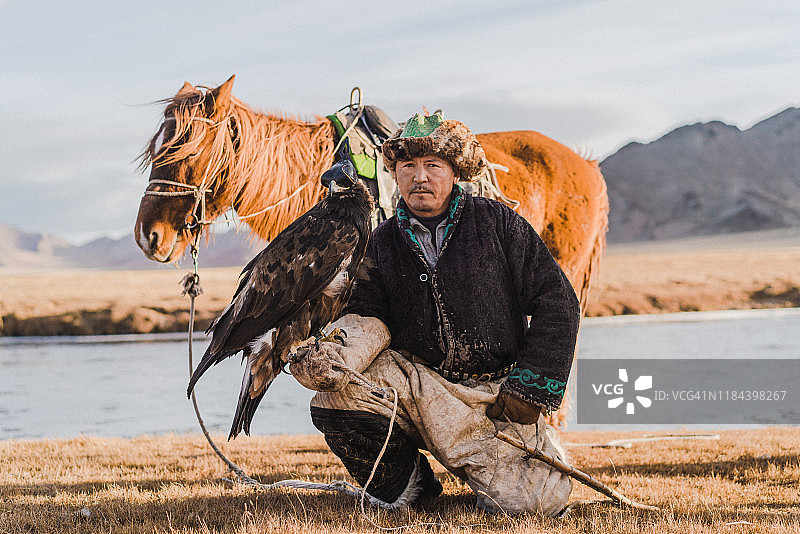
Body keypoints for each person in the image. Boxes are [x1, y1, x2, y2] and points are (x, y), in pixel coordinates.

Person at [290, 112, 581, 515]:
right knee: (335, 395)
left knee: (535, 505)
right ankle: (409, 487)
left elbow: (559, 303)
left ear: (453, 172)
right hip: (419, 385)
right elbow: (366, 315)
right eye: (407, 166)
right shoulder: (381, 242)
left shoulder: (499, 223)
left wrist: (531, 389)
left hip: (497, 396)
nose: (419, 177)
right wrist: (335, 353)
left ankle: (520, 464)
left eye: (432, 165)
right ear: (395, 174)